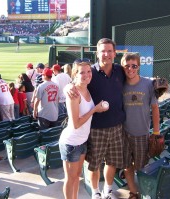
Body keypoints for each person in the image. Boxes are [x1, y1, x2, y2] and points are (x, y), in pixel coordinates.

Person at [66, 38, 126, 199]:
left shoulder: (120, 70)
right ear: (97, 53)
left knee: (112, 162)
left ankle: (108, 190)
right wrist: (68, 87)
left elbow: (136, 79)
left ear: (114, 53)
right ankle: (95, 192)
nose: (106, 54)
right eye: (102, 51)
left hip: (117, 126)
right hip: (96, 128)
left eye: (109, 51)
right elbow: (76, 82)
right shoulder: (90, 72)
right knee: (94, 164)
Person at [59, 59, 108, 199]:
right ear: (75, 74)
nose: (87, 75)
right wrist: (95, 110)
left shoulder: (86, 88)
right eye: (82, 72)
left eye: (88, 71)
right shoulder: (74, 93)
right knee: (70, 179)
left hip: (82, 141)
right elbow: (76, 123)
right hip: (71, 143)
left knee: (76, 178)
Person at [121, 53, 160, 199]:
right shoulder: (120, 83)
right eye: (127, 65)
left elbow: (155, 108)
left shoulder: (148, 84)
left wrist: (156, 132)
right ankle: (133, 192)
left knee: (141, 166)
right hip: (123, 133)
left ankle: (144, 191)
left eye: (134, 66)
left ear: (139, 67)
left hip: (142, 133)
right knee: (126, 165)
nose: (130, 69)